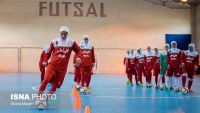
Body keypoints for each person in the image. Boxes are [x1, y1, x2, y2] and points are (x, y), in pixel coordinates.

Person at [37, 26, 82, 103]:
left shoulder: (71, 42)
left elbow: (79, 51)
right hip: (52, 66)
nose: (63, 36)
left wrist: (79, 57)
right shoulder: (54, 41)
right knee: (45, 80)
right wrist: (45, 60)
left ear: (68, 34)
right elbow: (48, 52)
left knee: (55, 86)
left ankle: (46, 100)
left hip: (62, 69)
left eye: (65, 34)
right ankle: (38, 98)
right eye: (62, 34)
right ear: (60, 33)